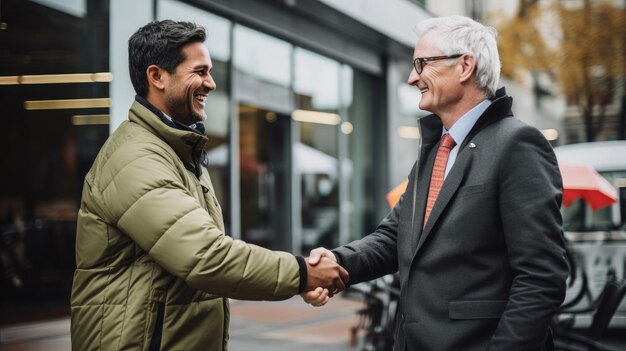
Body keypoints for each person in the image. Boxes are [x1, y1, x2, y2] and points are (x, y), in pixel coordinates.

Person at [70, 20, 348, 351]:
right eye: (200, 71)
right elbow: (205, 256)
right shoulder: (136, 158)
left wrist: (298, 277)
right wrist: (302, 273)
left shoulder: (180, 151)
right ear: (157, 76)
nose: (211, 84)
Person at [302, 15, 569, 351]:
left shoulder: (517, 144)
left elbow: (541, 277)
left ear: (464, 66)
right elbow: (393, 238)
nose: (413, 78)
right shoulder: (436, 149)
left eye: (422, 63)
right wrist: (336, 263)